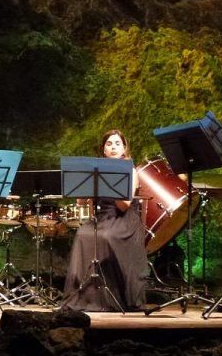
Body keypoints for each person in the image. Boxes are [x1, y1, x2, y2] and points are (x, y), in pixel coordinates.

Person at [62, 130, 149, 311]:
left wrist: (111, 182)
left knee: (107, 236)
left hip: (122, 218)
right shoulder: (96, 169)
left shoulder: (130, 170)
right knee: (82, 234)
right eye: (109, 144)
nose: (113, 147)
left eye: (117, 143)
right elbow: (80, 202)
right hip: (101, 218)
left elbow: (124, 205)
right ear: (103, 150)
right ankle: (87, 297)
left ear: (124, 148)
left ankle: (113, 297)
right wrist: (84, 183)